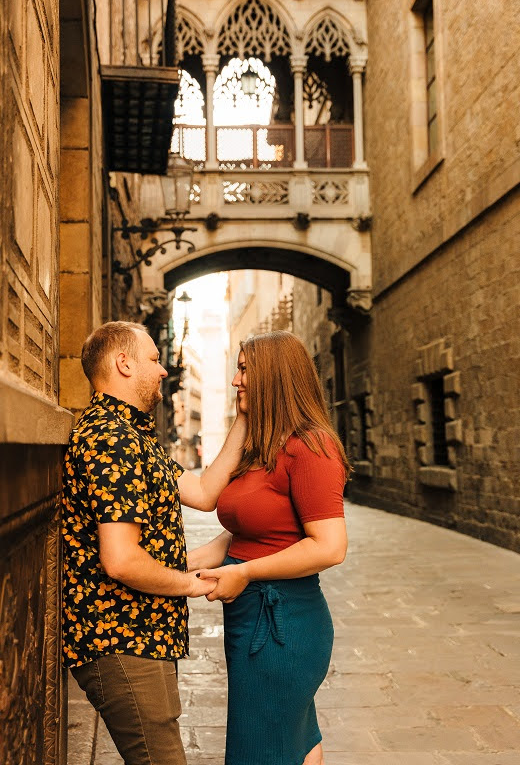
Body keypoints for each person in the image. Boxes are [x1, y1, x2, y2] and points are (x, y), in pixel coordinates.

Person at [62, 321, 246, 765]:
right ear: (123, 363)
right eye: (153, 359)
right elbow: (122, 560)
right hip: (121, 640)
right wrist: (195, 585)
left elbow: (202, 494)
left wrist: (246, 416)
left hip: (143, 637)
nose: (163, 370)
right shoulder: (111, 440)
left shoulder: (133, 437)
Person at [189, 330, 350, 765]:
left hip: (283, 625)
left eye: (244, 369)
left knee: (261, 749)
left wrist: (243, 573)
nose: (236, 379)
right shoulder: (263, 447)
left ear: (274, 376)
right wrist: (182, 564)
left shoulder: (311, 447)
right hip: (251, 620)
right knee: (295, 740)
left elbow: (330, 547)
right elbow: (243, 533)